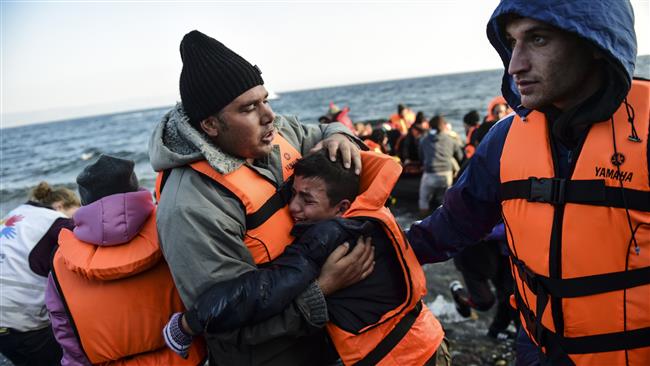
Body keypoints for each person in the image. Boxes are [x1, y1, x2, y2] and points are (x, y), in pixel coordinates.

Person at [407, 0, 649, 365]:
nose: (515, 64)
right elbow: (447, 228)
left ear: (596, 44)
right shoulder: (503, 140)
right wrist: (354, 247)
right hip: (535, 353)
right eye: (511, 41)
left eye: (538, 39)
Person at [149, 30, 368, 365]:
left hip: (330, 339)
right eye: (249, 108)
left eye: (265, 100)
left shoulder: (277, 132)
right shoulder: (190, 207)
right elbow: (225, 319)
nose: (268, 116)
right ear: (210, 124)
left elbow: (322, 131)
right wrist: (322, 290)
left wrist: (340, 134)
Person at [163, 150, 448, 365]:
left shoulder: (327, 237)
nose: (293, 207)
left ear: (341, 206)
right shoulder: (371, 216)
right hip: (430, 340)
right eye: (293, 194)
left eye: (307, 200)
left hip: (399, 359)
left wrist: (190, 322)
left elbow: (267, 289)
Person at [46, 155, 205, 365]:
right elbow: (207, 292)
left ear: (85, 201)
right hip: (189, 357)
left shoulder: (61, 262)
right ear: (135, 188)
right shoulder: (172, 227)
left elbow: (66, 333)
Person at [0, 182, 79, 366]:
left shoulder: (18, 213)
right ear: (59, 206)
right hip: (19, 321)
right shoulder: (57, 221)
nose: (77, 220)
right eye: (77, 212)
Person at [448, 223, 518, 340]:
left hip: (503, 253)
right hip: (473, 254)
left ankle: (496, 331)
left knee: (509, 296)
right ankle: (459, 294)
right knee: (485, 301)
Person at [417, 114, 464, 216]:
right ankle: (444, 221)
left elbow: (421, 156)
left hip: (430, 174)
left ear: (430, 126)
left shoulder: (424, 140)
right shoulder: (451, 139)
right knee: (444, 201)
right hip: (446, 175)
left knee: (423, 200)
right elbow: (460, 156)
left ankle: (422, 221)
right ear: (444, 126)